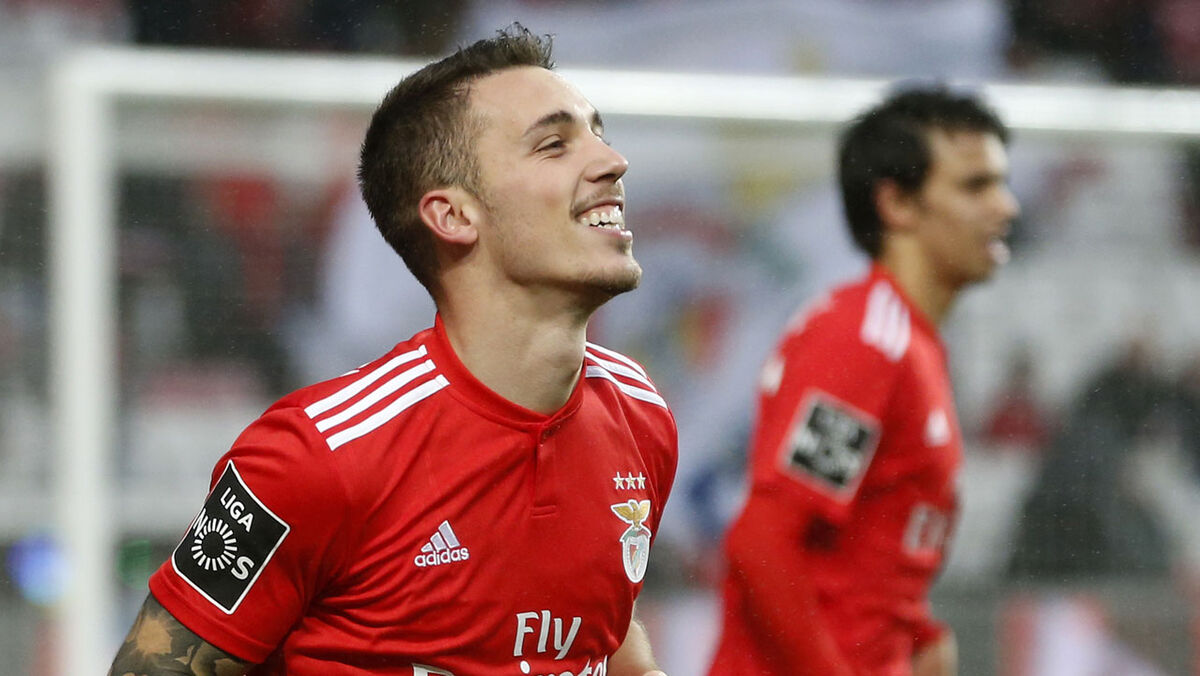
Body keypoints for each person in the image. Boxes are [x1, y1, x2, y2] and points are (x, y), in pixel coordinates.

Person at [109, 25, 677, 676]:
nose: (612, 161)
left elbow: (601, 632)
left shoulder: (639, 414)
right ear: (453, 216)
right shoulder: (313, 458)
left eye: (599, 135)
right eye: (554, 145)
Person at [707, 85, 1020, 675]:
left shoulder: (907, 344)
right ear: (897, 203)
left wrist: (917, 632)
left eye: (1002, 183)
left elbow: (867, 549)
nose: (1007, 207)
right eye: (975, 186)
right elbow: (763, 542)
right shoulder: (864, 342)